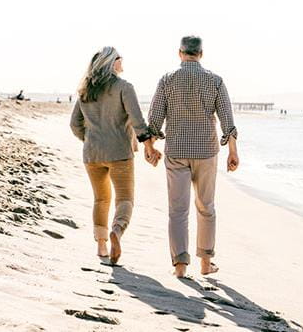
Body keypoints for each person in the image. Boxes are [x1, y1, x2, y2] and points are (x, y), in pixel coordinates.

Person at [146, 36, 239, 278]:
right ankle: (206, 263)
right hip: (206, 152)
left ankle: (180, 266)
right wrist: (233, 151)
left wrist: (150, 146)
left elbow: (155, 118)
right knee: (206, 206)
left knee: (177, 210)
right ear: (201, 54)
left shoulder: (167, 79)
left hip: (176, 151)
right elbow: (227, 119)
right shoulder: (215, 81)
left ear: (180, 53)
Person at [70, 46, 159, 265]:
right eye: (120, 58)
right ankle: (117, 232)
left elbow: (74, 124)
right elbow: (138, 122)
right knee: (125, 199)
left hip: (92, 153)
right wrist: (149, 146)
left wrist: (89, 139)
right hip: (119, 152)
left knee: (101, 199)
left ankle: (101, 246)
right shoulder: (124, 87)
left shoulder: (84, 89)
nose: (123, 62)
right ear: (112, 62)